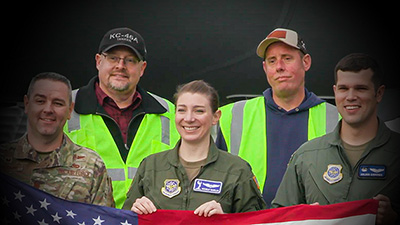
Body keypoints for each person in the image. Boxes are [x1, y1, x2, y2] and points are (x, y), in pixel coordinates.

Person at [215, 27, 339, 206]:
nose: (280, 67)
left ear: (306, 62)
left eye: (287, 58)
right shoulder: (233, 116)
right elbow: (215, 179)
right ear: (265, 68)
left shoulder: (337, 118)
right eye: (272, 61)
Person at [272, 53, 399, 225]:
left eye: (361, 88)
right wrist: (302, 217)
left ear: (379, 93)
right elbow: (278, 218)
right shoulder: (306, 156)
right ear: (335, 91)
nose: (351, 96)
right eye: (343, 88)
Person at [63, 27, 180, 208]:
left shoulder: (168, 112)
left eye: (130, 60)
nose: (120, 66)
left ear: (142, 68)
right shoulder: (63, 106)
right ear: (98, 61)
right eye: (113, 58)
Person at [122, 80, 266, 216]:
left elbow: (258, 222)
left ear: (216, 117)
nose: (189, 118)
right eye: (182, 110)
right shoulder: (150, 166)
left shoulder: (237, 170)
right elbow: (124, 220)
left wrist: (225, 220)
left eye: (199, 111)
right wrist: (135, 211)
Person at [0, 72, 114, 207]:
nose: (48, 109)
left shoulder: (92, 165)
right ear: (27, 104)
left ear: (70, 110)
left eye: (58, 103)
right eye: (40, 101)